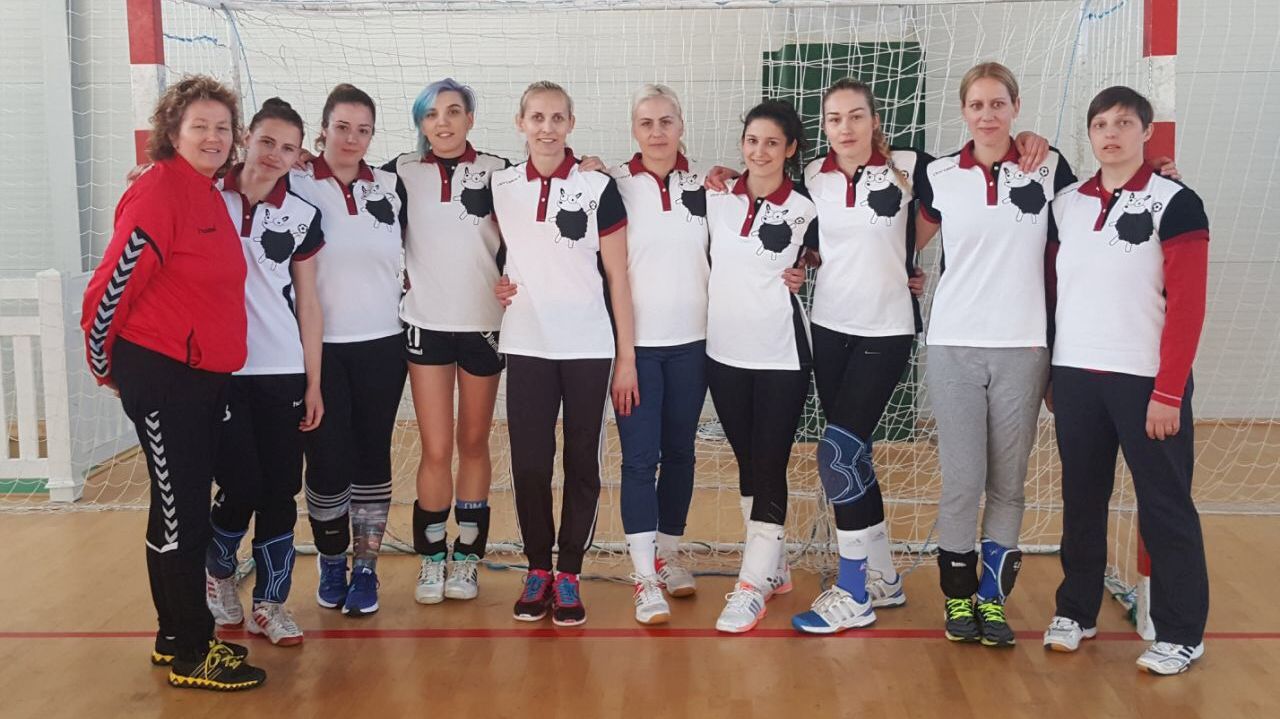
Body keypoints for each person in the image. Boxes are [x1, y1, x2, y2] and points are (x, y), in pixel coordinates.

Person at [81, 75, 265, 690]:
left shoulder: (208, 190)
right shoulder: (159, 190)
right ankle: (189, 649)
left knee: (240, 481)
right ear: (173, 132)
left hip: (208, 377)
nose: (213, 137)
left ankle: (172, 632)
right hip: (162, 376)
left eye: (222, 127)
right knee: (181, 512)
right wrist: (105, 364)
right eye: (199, 126)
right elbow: (111, 285)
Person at [1044, 86, 1209, 675]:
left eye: (1123, 123)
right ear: (1090, 134)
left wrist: (1169, 390)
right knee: (1082, 499)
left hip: (1146, 384)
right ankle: (1076, 610)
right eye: (1100, 124)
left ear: (1146, 132)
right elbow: (1052, 292)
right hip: (1076, 377)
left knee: (1165, 505)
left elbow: (1188, 306)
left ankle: (1182, 633)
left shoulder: (1177, 201)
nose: (1110, 133)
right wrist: (1052, 374)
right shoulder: (1065, 204)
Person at [916, 62, 1076, 647]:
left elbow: (1095, 210)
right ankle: (958, 598)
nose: (987, 115)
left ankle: (992, 599)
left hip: (1023, 348)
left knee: (1009, 483)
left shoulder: (1050, 165)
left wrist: (1157, 173)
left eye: (998, 104)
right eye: (977, 105)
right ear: (963, 111)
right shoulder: (938, 175)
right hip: (953, 345)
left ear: (1015, 107)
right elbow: (900, 240)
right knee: (963, 480)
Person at [785, 79, 935, 634]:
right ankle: (883, 578)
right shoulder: (811, 177)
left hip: (886, 330)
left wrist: (907, 257)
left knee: (836, 454)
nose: (845, 128)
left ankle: (852, 594)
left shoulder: (910, 166)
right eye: (833, 118)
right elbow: (805, 237)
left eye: (855, 116)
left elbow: (966, 191)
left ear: (875, 120)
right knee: (856, 456)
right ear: (823, 127)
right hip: (830, 330)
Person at [492, 81, 637, 627]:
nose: (547, 128)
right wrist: (497, 282)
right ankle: (537, 568)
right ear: (521, 123)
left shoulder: (598, 186)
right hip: (526, 343)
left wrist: (626, 356)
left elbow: (618, 277)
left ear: (571, 123)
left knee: (581, 462)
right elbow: (490, 251)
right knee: (530, 464)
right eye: (537, 117)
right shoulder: (501, 184)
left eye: (557, 118)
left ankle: (570, 571)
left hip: (587, 347)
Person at [202, 97, 324, 647]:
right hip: (220, 369)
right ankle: (218, 571)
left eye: (288, 147)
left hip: (282, 368)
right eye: (267, 141)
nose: (275, 154)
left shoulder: (302, 215)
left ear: (299, 156)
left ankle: (271, 604)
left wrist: (313, 381)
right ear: (247, 137)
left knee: (280, 489)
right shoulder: (206, 194)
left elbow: (309, 302)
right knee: (240, 483)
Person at [383, 78, 509, 605]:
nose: (443, 122)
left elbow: (538, 215)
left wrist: (591, 166)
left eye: (453, 111)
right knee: (435, 447)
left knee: (473, 443)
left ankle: (469, 557)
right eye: (431, 114)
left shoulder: (501, 171)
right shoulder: (399, 172)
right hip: (426, 325)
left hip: (484, 325)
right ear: (421, 122)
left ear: (470, 119)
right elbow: (342, 183)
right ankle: (432, 558)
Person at [289, 83, 406, 617]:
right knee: (327, 460)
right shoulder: (294, 182)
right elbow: (236, 175)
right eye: (342, 127)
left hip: (384, 345)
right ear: (323, 129)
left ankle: (366, 567)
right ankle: (332, 560)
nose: (352, 139)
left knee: (371, 457)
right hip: (319, 350)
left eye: (363, 130)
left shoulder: (390, 185)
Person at [703, 100, 819, 634]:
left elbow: (839, 253)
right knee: (748, 462)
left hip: (781, 355)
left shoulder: (808, 207)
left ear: (790, 149)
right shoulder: (715, 196)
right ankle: (775, 566)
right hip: (724, 353)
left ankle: (751, 585)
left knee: (770, 464)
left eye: (772, 142)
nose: (760, 151)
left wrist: (806, 267)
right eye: (752, 141)